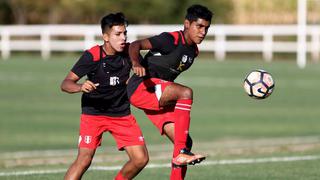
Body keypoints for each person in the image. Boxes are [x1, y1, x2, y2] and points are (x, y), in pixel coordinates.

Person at [126, 4, 212, 180]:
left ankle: (181, 157)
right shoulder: (170, 39)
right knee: (185, 93)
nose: (203, 32)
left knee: (185, 140)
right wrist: (136, 63)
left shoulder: (193, 51)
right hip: (141, 88)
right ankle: (182, 152)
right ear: (187, 24)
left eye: (206, 28)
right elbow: (135, 45)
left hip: (157, 94)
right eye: (199, 26)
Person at [61, 12, 148, 180]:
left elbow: (145, 73)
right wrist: (80, 86)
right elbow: (65, 84)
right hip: (93, 114)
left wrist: (137, 75)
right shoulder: (93, 55)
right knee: (84, 160)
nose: (123, 38)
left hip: (121, 114)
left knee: (140, 159)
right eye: (118, 34)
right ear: (106, 37)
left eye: (125, 33)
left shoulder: (130, 52)